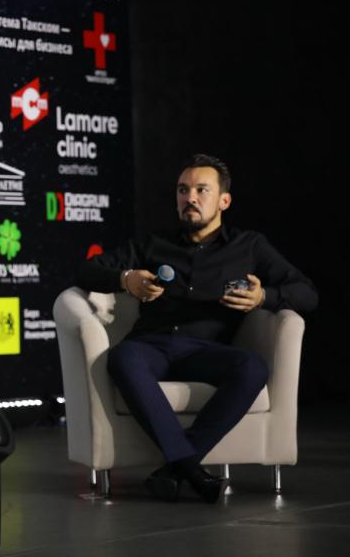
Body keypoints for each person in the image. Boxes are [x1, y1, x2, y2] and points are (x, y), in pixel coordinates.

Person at [76, 154, 317, 503]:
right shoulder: (153, 243)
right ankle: (191, 469)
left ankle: (177, 468)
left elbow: (307, 293)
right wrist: (126, 279)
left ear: (224, 200)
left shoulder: (249, 245)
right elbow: (85, 271)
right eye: (183, 190)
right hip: (151, 345)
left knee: (253, 368)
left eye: (202, 190)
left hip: (206, 350)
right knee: (123, 357)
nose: (190, 198)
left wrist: (264, 296)